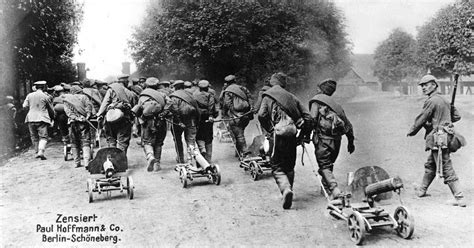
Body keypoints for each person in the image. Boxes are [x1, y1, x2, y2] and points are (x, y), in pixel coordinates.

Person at [407, 75, 465, 207]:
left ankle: (459, 197)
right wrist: (445, 117)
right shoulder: (444, 99)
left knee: (445, 165)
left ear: (434, 85)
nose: (423, 88)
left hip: (438, 138)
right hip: (448, 136)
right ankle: (422, 190)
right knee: (431, 164)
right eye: (422, 86)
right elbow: (456, 116)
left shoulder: (432, 101)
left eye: (426, 85)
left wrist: (412, 130)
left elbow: (422, 117)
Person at [258, 72, 312, 209]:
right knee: (289, 165)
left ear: (272, 83)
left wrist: (270, 129)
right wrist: (303, 135)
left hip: (278, 135)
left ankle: (285, 189)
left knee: (276, 166)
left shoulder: (267, 96)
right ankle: (290, 189)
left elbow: (261, 115)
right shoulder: (292, 97)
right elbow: (308, 118)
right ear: (283, 84)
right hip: (292, 134)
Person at [309, 79, 355, 201]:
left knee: (324, 165)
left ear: (321, 89)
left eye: (318, 88)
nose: (317, 90)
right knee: (329, 164)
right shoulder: (336, 105)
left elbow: (312, 120)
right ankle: (325, 188)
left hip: (322, 140)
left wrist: (303, 135)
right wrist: (351, 143)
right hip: (336, 141)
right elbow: (348, 125)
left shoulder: (316, 101)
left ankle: (334, 189)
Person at [132, 77, 171, 172]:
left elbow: (138, 111)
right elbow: (170, 103)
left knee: (146, 141)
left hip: (147, 122)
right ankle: (157, 163)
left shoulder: (142, 96)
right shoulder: (162, 94)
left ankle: (150, 156)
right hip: (160, 121)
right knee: (158, 142)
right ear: (157, 85)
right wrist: (164, 112)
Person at [96, 74, 137, 156]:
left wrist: (99, 115)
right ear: (126, 82)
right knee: (123, 142)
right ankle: (121, 162)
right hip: (125, 120)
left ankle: (112, 161)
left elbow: (105, 103)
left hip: (110, 119)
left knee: (111, 140)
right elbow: (134, 108)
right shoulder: (131, 93)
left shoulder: (111, 90)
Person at [221, 74, 254, 158]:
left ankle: (245, 153)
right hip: (246, 115)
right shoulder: (243, 88)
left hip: (235, 116)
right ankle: (238, 152)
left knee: (239, 135)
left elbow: (227, 104)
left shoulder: (227, 91)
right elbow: (250, 98)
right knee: (240, 132)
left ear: (227, 83)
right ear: (235, 81)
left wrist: (227, 114)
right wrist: (250, 109)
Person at [22, 81, 55, 160]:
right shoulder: (45, 96)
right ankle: (41, 151)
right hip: (42, 118)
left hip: (30, 118)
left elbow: (24, 106)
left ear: (35, 87)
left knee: (34, 136)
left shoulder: (29, 95)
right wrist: (52, 118)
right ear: (44, 87)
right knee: (43, 136)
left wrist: (31, 109)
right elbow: (50, 109)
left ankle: (37, 152)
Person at [169, 80, 200, 163]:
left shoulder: (173, 96)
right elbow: (197, 109)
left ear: (175, 87)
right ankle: (191, 159)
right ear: (183, 86)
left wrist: (179, 121)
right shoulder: (190, 95)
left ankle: (180, 158)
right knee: (191, 141)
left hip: (177, 122)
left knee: (177, 140)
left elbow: (174, 110)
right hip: (191, 120)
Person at [63, 86, 93, 167]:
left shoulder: (67, 99)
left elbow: (68, 112)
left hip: (72, 123)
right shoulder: (85, 97)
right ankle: (87, 162)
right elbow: (89, 108)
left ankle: (77, 162)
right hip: (84, 122)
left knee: (74, 142)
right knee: (86, 142)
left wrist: (76, 118)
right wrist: (87, 116)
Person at [194, 80, 219, 162]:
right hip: (208, 118)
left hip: (197, 118)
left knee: (199, 135)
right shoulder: (209, 95)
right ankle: (208, 158)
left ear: (199, 88)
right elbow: (212, 106)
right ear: (208, 87)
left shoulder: (194, 95)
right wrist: (212, 115)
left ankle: (202, 149)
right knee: (208, 136)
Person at [52, 86, 71, 152]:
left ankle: (66, 143)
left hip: (61, 117)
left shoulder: (56, 99)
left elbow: (54, 111)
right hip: (71, 116)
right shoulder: (70, 96)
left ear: (56, 92)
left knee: (63, 129)